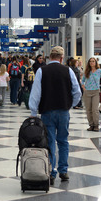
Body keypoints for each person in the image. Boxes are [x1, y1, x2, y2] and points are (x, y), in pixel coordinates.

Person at [29, 46, 82, 184]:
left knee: (50, 141)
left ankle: (51, 172)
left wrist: (33, 112)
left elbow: (36, 93)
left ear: (49, 57)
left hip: (47, 111)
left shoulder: (42, 71)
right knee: (63, 140)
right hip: (63, 111)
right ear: (62, 58)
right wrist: (70, 105)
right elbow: (77, 92)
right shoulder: (68, 70)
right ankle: (63, 171)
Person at [81, 57, 101, 131]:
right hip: (87, 92)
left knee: (95, 109)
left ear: (96, 63)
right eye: (90, 61)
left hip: (96, 92)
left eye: (93, 61)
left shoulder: (99, 71)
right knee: (88, 110)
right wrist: (84, 88)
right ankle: (91, 125)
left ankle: (96, 125)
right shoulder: (87, 71)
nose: (92, 63)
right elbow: (82, 81)